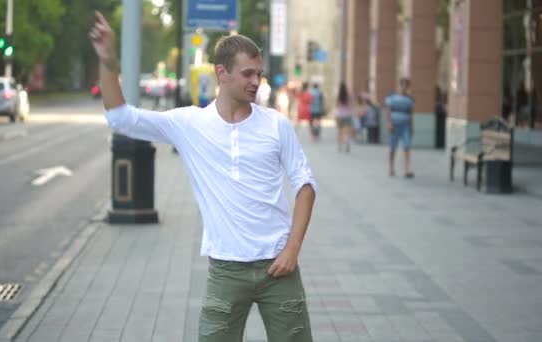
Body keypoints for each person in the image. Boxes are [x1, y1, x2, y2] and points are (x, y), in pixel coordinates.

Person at [90, 12, 317, 342]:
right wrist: (109, 61)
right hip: (226, 271)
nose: (256, 81)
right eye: (248, 74)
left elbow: (305, 185)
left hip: (279, 268)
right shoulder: (191, 124)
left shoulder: (275, 125)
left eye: (259, 73)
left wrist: (293, 250)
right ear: (221, 73)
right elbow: (121, 118)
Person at [384, 77, 414, 178]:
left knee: (407, 146)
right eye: (403, 85)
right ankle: (391, 168)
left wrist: (411, 127)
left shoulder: (410, 99)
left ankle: (407, 169)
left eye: (406, 85)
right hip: (394, 125)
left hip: (405, 125)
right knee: (393, 147)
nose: (404, 87)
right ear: (400, 85)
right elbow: (388, 111)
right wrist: (389, 123)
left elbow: (410, 114)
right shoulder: (392, 97)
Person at [335, 82, 353, 153]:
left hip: (339, 115)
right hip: (347, 115)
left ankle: (340, 146)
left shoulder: (338, 96)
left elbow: (336, 105)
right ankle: (347, 143)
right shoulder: (349, 96)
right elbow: (351, 105)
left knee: (340, 131)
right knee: (347, 132)